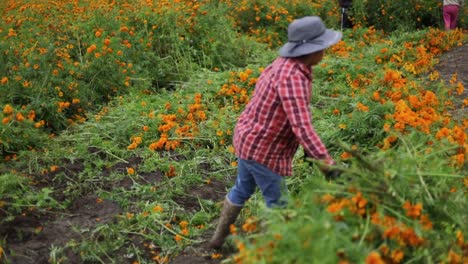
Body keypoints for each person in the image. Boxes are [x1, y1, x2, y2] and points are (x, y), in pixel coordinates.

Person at [208, 16, 342, 249]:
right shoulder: (293, 78)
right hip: (263, 150)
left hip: (247, 139)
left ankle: (216, 239)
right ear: (311, 49)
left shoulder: (283, 64)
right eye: (323, 46)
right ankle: (275, 252)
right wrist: (326, 162)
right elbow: (302, 125)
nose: (326, 50)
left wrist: (311, 152)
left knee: (242, 188)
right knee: (279, 204)